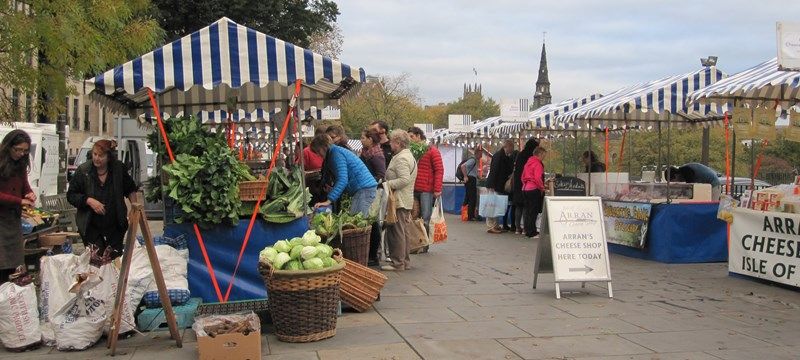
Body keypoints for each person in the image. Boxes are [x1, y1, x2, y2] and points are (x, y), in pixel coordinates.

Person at [67, 139, 138, 258]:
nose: (97, 158)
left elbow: (130, 188)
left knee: (114, 259)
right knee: (97, 259)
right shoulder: (84, 171)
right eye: (95, 154)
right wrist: (89, 201)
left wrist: (134, 208)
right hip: (91, 227)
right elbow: (71, 195)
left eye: (101, 155)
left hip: (115, 226)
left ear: (109, 157)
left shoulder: (118, 169)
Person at [0, 130, 36, 283]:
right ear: (9, 147)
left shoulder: (21, 164)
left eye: (25, 150)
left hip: (13, 220)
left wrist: (29, 194)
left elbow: (24, 186)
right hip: (1, 220)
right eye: (18, 150)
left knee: (13, 264)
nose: (21, 153)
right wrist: (18, 201)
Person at [312, 134, 377, 216]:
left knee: (358, 221)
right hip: (364, 189)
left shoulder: (335, 154)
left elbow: (342, 179)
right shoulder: (335, 152)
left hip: (364, 189)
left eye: (318, 151)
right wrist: (333, 189)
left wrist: (328, 200)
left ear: (324, 146)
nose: (318, 154)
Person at [381, 130, 418, 271]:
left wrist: (386, 184)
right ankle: (405, 261)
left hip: (399, 199)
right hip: (405, 198)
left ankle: (398, 263)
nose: (390, 143)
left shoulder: (401, 158)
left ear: (398, 143)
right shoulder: (408, 156)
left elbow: (404, 179)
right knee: (403, 231)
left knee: (397, 231)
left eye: (391, 141)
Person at [408, 127, 443, 255]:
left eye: (411, 136)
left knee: (425, 217)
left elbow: (439, 169)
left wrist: (437, 189)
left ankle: (424, 244)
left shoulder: (432, 150)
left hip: (426, 189)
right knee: (414, 216)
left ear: (418, 136)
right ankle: (415, 243)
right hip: (413, 188)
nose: (410, 139)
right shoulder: (412, 151)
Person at [360, 128, 386, 267]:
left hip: (374, 192)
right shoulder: (366, 153)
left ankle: (373, 255)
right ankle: (370, 254)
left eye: (363, 137)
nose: (361, 140)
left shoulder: (376, 155)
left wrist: (370, 183)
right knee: (370, 221)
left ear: (371, 139)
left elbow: (381, 174)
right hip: (366, 190)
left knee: (373, 222)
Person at [484, 139, 516, 234]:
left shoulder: (503, 156)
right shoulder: (499, 156)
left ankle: (496, 225)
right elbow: (494, 171)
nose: (513, 150)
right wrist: (492, 185)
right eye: (512, 147)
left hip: (497, 184)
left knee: (496, 205)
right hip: (494, 185)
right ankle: (491, 226)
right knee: (492, 205)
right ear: (508, 146)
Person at [511, 138, 540, 234]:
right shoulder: (531, 157)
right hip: (528, 184)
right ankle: (525, 228)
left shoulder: (520, 155)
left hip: (519, 183)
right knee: (525, 207)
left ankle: (517, 228)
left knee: (518, 206)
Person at [521, 146, 547, 238]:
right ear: (539, 154)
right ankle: (532, 232)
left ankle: (527, 231)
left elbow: (522, 176)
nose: (544, 157)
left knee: (527, 211)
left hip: (525, 188)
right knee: (533, 211)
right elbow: (537, 178)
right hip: (533, 189)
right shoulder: (537, 164)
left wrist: (525, 184)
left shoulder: (528, 163)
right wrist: (542, 187)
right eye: (543, 155)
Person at [460, 147, 481, 221]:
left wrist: (477, 176)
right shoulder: (472, 160)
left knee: (468, 197)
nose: (481, 156)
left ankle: (465, 214)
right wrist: (465, 176)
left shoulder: (473, 160)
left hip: (470, 179)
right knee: (472, 198)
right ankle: (470, 216)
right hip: (470, 180)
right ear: (477, 153)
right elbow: (463, 166)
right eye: (480, 154)